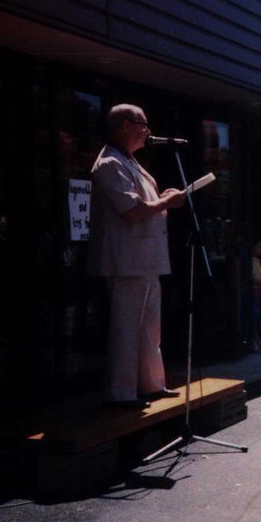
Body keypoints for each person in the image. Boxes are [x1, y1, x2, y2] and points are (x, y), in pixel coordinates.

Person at [88, 104, 186, 409]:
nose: (148, 131)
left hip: (146, 259)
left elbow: (144, 204)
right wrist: (167, 202)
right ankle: (121, 394)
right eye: (143, 124)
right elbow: (131, 211)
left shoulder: (129, 161)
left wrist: (162, 198)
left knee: (148, 328)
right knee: (126, 329)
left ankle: (151, 385)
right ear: (125, 126)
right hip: (127, 261)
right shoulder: (108, 163)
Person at [250, 238, 261, 352]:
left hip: (260, 291)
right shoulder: (250, 261)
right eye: (258, 247)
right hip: (254, 291)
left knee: (258, 316)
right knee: (253, 317)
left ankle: (257, 338)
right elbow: (251, 279)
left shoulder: (257, 260)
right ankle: (253, 338)